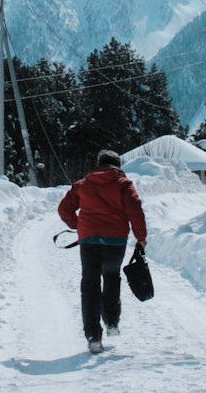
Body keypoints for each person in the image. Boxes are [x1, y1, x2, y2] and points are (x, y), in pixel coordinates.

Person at [58, 149, 147, 353]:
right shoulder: (124, 185)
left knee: (89, 284)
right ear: (118, 165)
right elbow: (136, 210)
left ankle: (93, 336)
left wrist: (78, 225)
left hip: (89, 241)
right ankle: (112, 322)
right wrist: (141, 238)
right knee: (112, 276)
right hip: (116, 241)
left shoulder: (83, 185)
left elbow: (64, 209)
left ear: (98, 164)